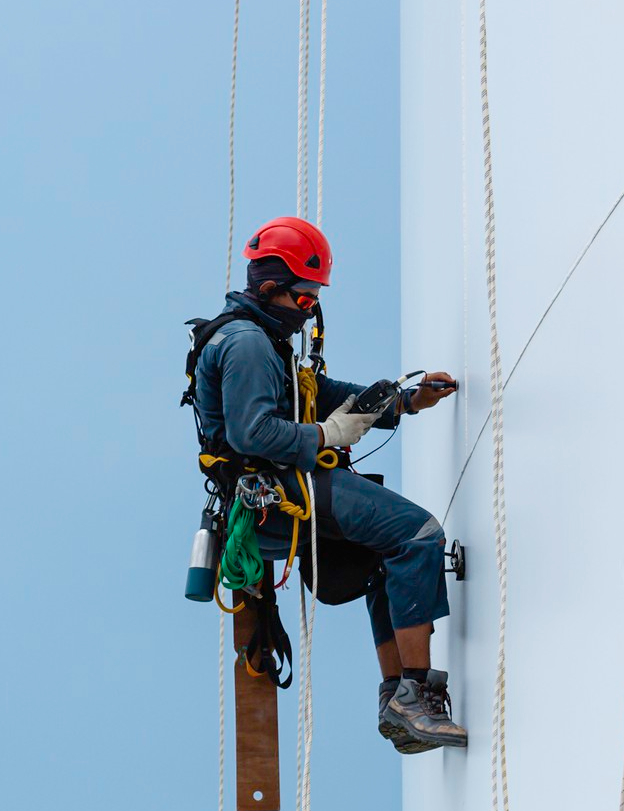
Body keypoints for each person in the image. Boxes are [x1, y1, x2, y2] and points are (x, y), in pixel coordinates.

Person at [187, 215, 467, 752]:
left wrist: (405, 401)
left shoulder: (261, 339)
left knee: (386, 555)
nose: (309, 308)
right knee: (417, 534)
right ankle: (415, 698)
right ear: (269, 287)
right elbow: (252, 433)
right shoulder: (246, 344)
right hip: (277, 491)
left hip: (276, 492)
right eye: (304, 296)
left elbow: (317, 390)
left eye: (315, 298)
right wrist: (326, 434)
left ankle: (397, 697)